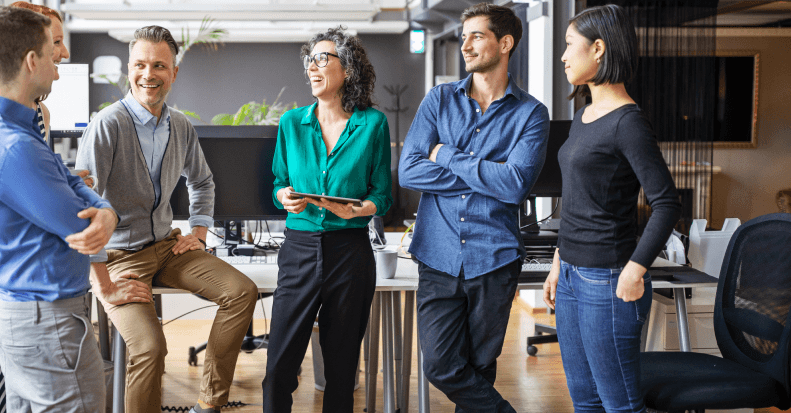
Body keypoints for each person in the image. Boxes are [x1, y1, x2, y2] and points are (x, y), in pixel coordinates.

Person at [0, 3, 123, 412]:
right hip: (44, 318)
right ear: (32, 60)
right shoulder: (14, 147)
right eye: (53, 50)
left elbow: (64, 179)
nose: (59, 61)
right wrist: (105, 211)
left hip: (18, 308)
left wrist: (94, 202)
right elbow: (78, 222)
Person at [75, 25, 258, 413]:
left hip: (168, 247)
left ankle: (209, 403)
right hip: (120, 258)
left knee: (241, 292)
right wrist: (102, 285)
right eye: (140, 64)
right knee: (150, 348)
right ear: (129, 69)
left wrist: (199, 231)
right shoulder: (108, 124)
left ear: (173, 72)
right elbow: (82, 209)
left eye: (159, 65)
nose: (149, 74)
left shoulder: (180, 126)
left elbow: (203, 182)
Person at [398, 3, 549, 412]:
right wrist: (487, 175)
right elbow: (409, 172)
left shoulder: (531, 114)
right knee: (442, 365)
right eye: (463, 36)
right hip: (438, 255)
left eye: (475, 36)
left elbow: (515, 185)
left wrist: (446, 153)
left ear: (505, 43)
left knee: (481, 368)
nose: (464, 45)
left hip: (494, 257)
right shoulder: (439, 100)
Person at [544, 5, 681, 412]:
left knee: (619, 404)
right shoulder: (583, 116)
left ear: (599, 48)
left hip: (607, 279)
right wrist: (557, 262)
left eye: (570, 45)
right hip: (570, 275)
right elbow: (576, 201)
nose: (564, 56)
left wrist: (635, 269)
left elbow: (666, 202)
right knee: (584, 400)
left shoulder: (628, 122)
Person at [263, 27, 392, 412]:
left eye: (323, 58)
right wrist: (283, 197)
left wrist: (360, 209)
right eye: (310, 60)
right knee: (279, 367)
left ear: (348, 68)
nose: (313, 67)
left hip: (349, 255)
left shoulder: (373, 124)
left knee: (341, 371)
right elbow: (279, 183)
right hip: (299, 250)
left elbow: (381, 195)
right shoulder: (291, 123)